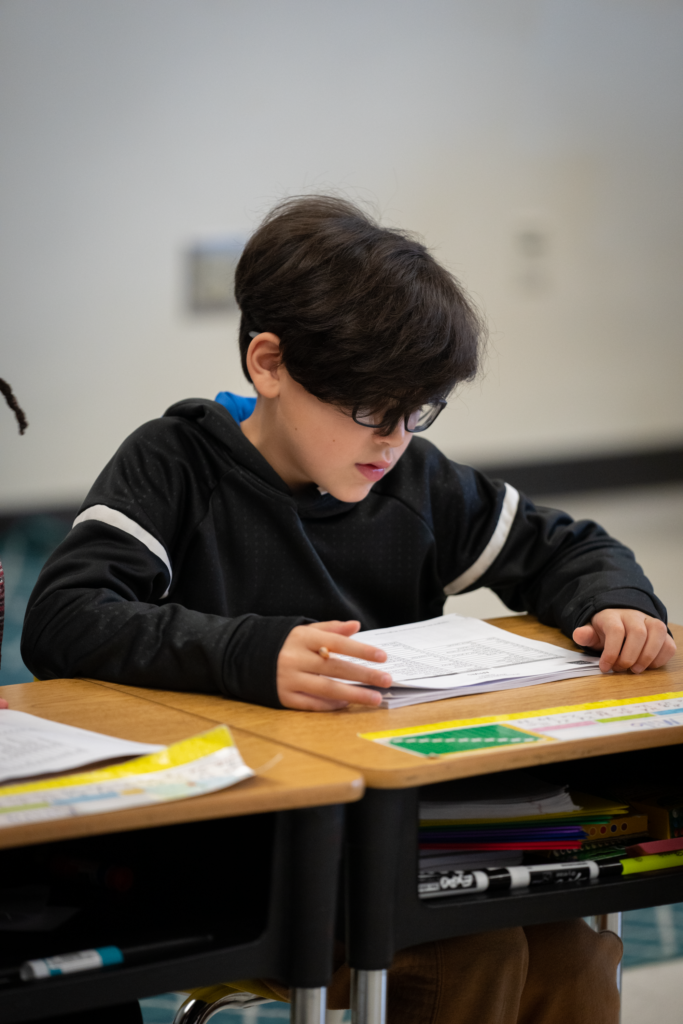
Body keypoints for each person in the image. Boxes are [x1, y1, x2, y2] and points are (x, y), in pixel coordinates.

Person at [21, 196, 676, 1023]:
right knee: (466, 951)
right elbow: (63, 618)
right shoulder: (176, 464)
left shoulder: (410, 479)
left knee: (568, 953)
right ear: (269, 363)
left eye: (417, 412)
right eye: (370, 410)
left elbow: (567, 547)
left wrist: (614, 602)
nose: (393, 440)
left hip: (409, 830)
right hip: (243, 847)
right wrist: (250, 653)